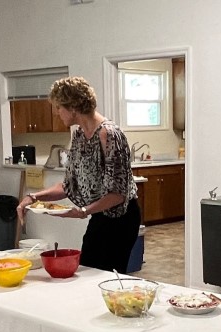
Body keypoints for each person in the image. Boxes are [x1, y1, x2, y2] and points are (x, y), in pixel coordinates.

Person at [18, 77, 141, 272]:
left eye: (59, 107)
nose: (56, 112)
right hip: (99, 215)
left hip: (121, 218)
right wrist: (33, 197)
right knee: (87, 268)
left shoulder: (109, 135)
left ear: (73, 107)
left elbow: (118, 194)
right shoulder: (79, 136)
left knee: (106, 275)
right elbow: (68, 186)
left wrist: (84, 211)